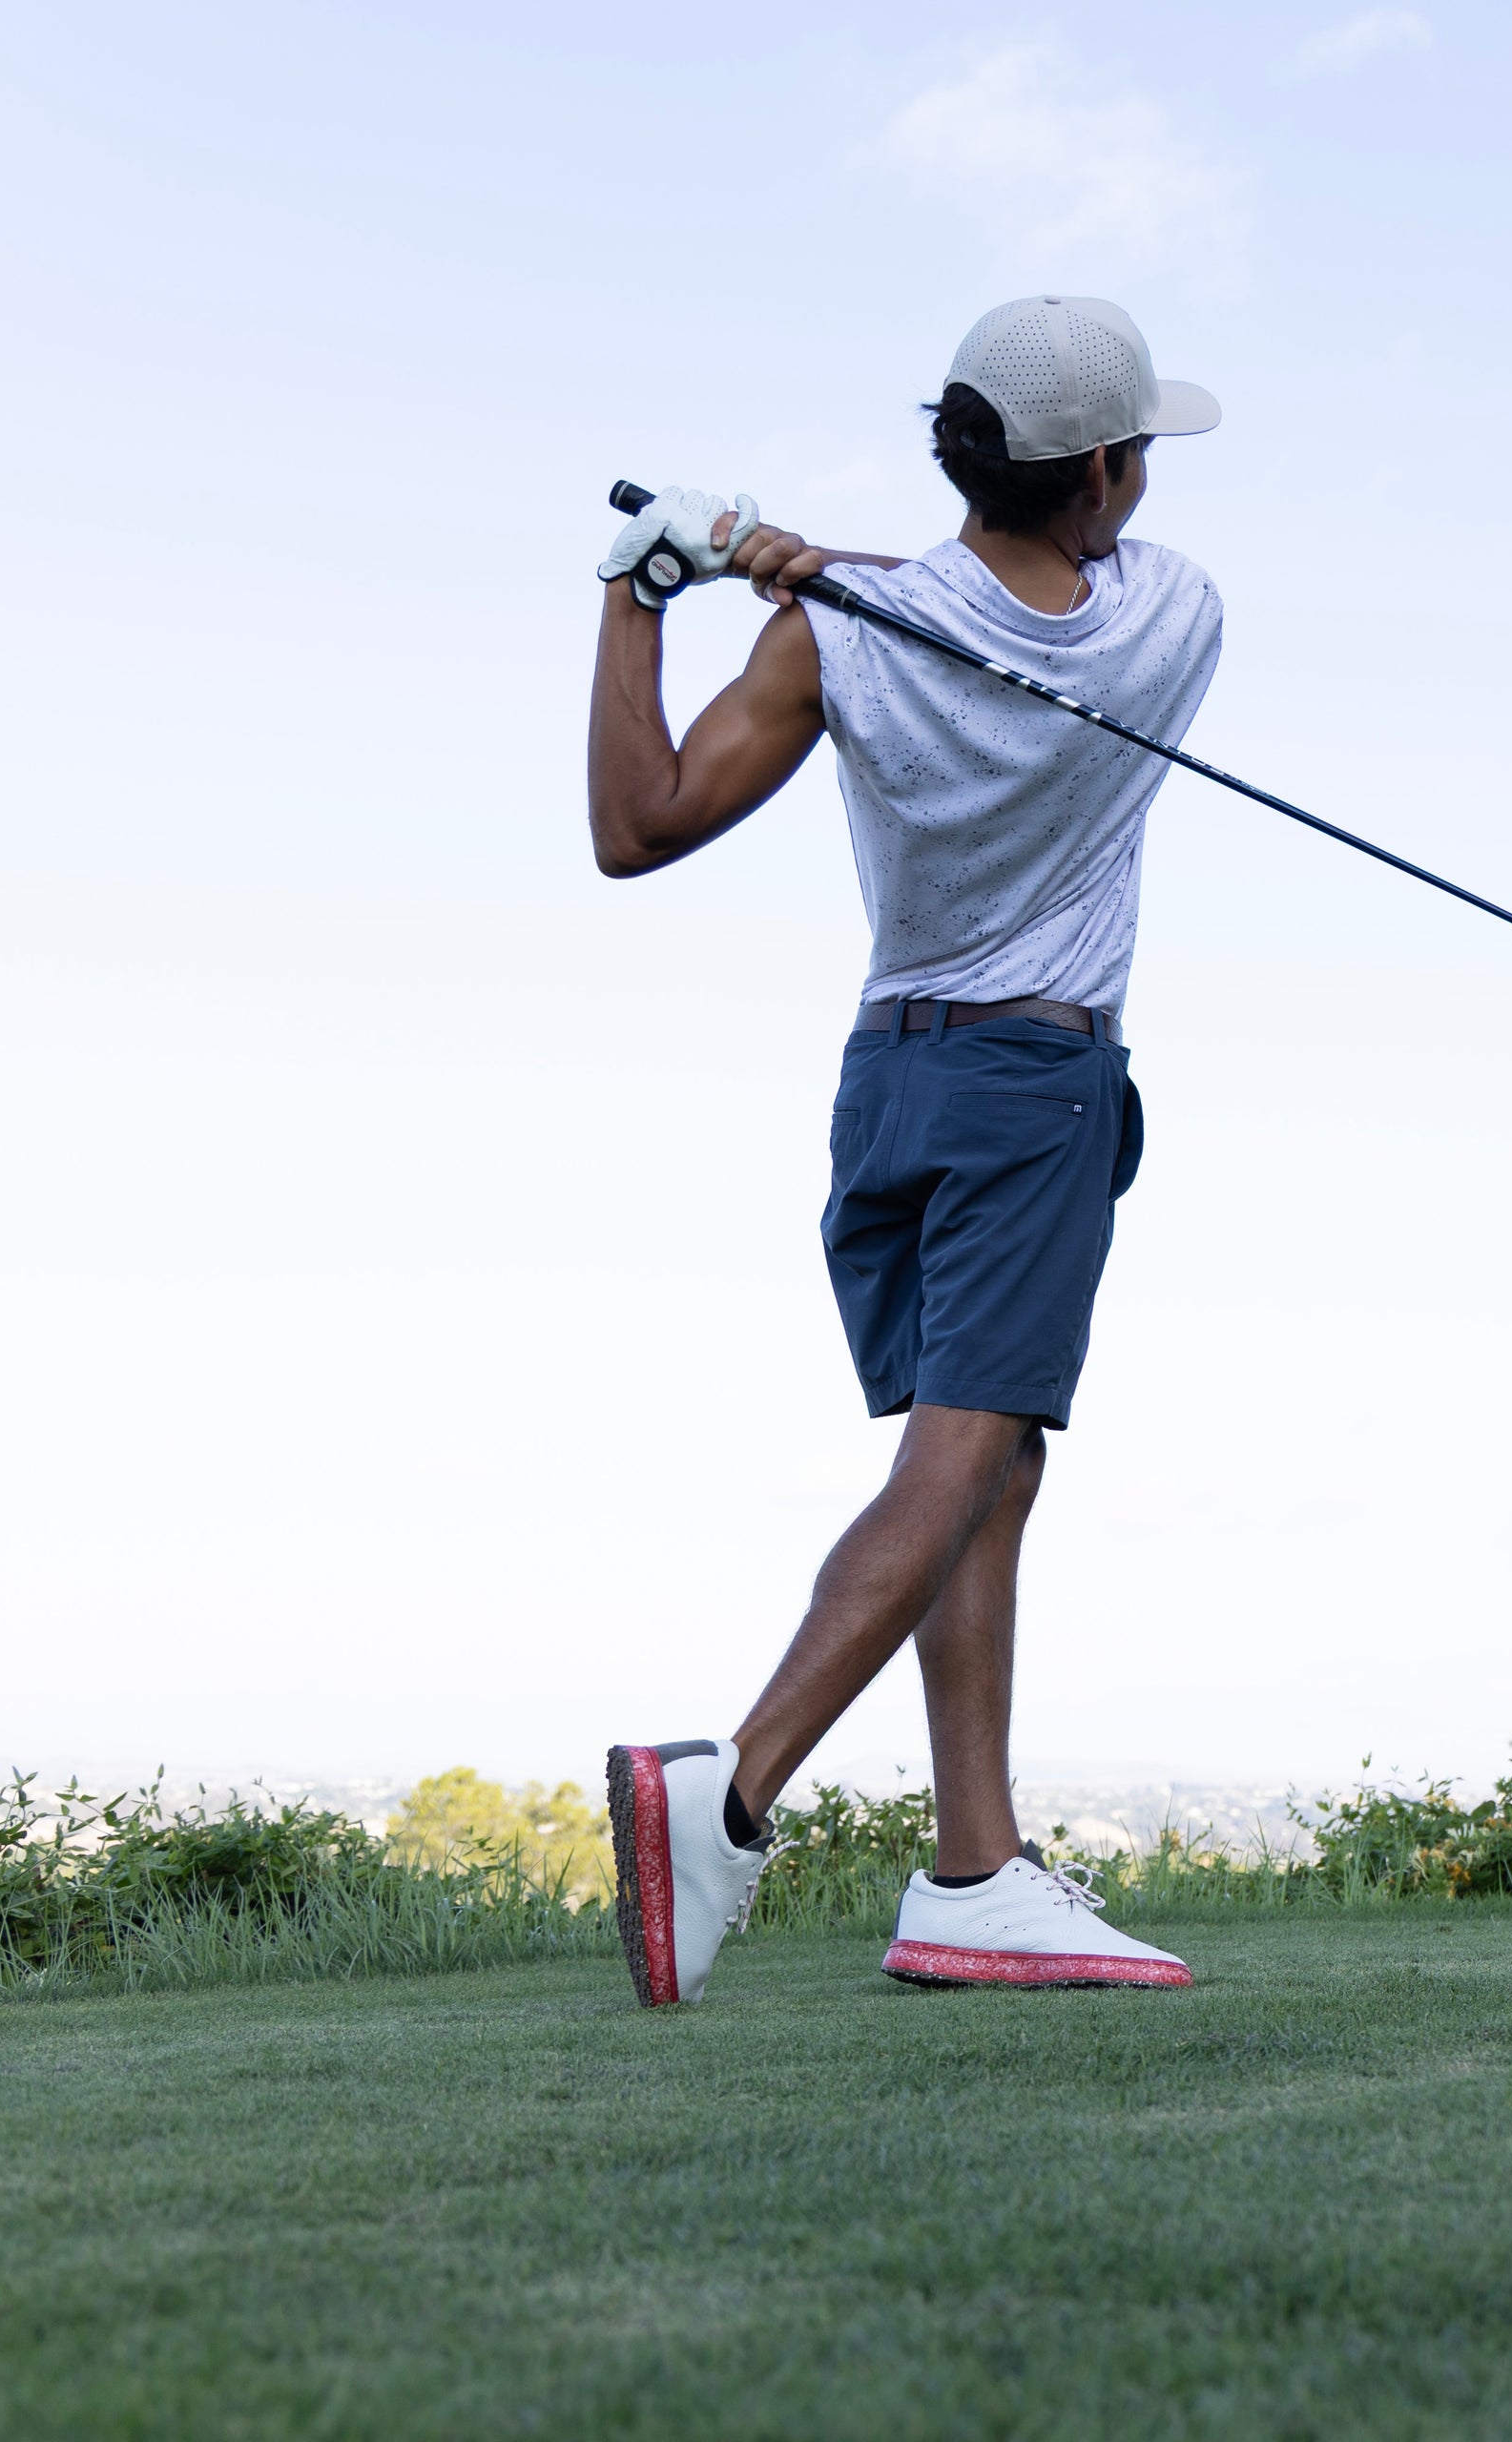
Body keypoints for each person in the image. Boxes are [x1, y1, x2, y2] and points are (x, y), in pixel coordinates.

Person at [581, 297, 1224, 2005]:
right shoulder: (1174, 619)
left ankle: (972, 1867)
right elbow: (1004, 609)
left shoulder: (835, 636)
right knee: (959, 1470)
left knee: (986, 1473)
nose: (1149, 483)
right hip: (1039, 1092)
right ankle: (724, 1795)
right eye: (1141, 455)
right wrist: (791, 560)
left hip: (889, 1089)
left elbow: (634, 830)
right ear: (1096, 475)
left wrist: (658, 589)